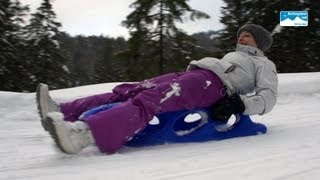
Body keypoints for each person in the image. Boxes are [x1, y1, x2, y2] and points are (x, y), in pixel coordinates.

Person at [37, 24, 278, 154]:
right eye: (240, 36)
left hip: (213, 86)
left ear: (260, 42)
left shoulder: (264, 64)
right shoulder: (233, 55)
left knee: (150, 99)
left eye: (247, 36)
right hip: (194, 76)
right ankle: (63, 110)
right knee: (129, 90)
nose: (241, 39)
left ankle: (82, 136)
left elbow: (268, 97)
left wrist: (240, 104)